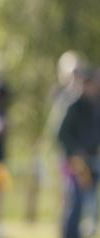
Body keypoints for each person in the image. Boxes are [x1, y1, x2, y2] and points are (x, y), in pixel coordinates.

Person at [57, 68, 100, 238]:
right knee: (76, 201)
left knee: (90, 202)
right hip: (77, 162)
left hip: (94, 159)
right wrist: (75, 152)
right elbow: (62, 134)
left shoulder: (96, 104)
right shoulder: (73, 105)